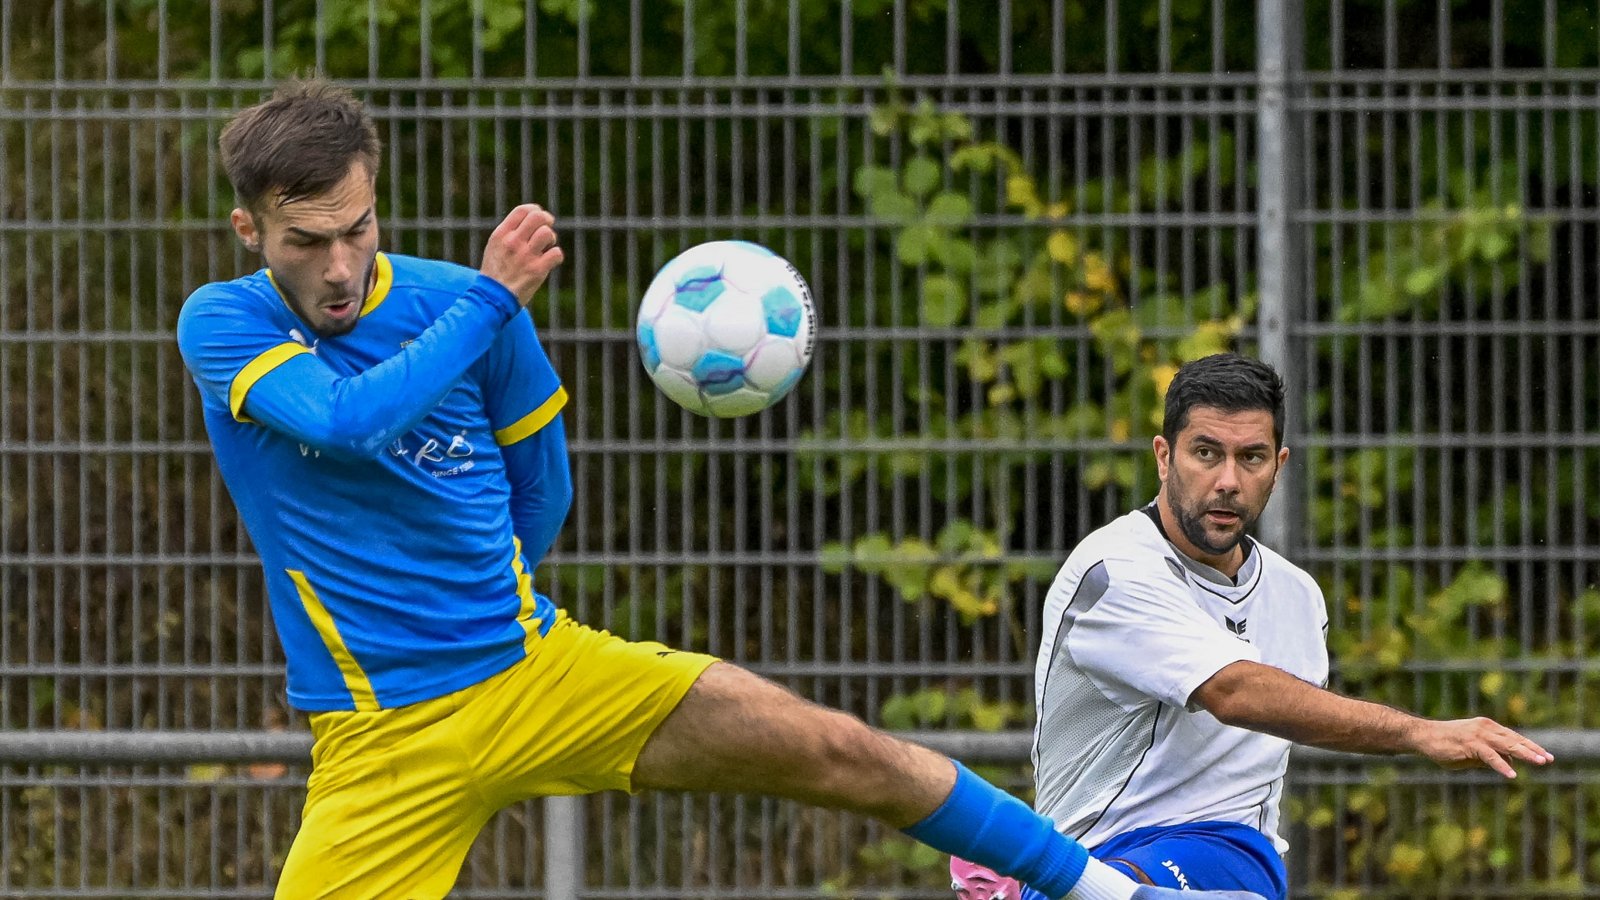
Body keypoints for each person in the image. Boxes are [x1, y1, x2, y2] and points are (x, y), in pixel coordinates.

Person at [175, 79, 1268, 900]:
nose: (337, 264)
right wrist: (495, 302)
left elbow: (539, 489)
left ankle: (1094, 890)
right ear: (250, 232)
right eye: (304, 241)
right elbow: (343, 423)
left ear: (378, 203)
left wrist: (478, 601)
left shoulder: (459, 300)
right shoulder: (230, 323)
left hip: (538, 666)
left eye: (356, 230)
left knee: (838, 747)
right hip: (384, 736)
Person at [1018, 352, 1553, 898]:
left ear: (1279, 465)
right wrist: (1423, 732)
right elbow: (1234, 690)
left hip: (1232, 853)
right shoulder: (1114, 570)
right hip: (1090, 857)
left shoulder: (1297, 596)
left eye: (1252, 457)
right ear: (1163, 457)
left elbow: (1282, 719)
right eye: (1206, 453)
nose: (1229, 480)